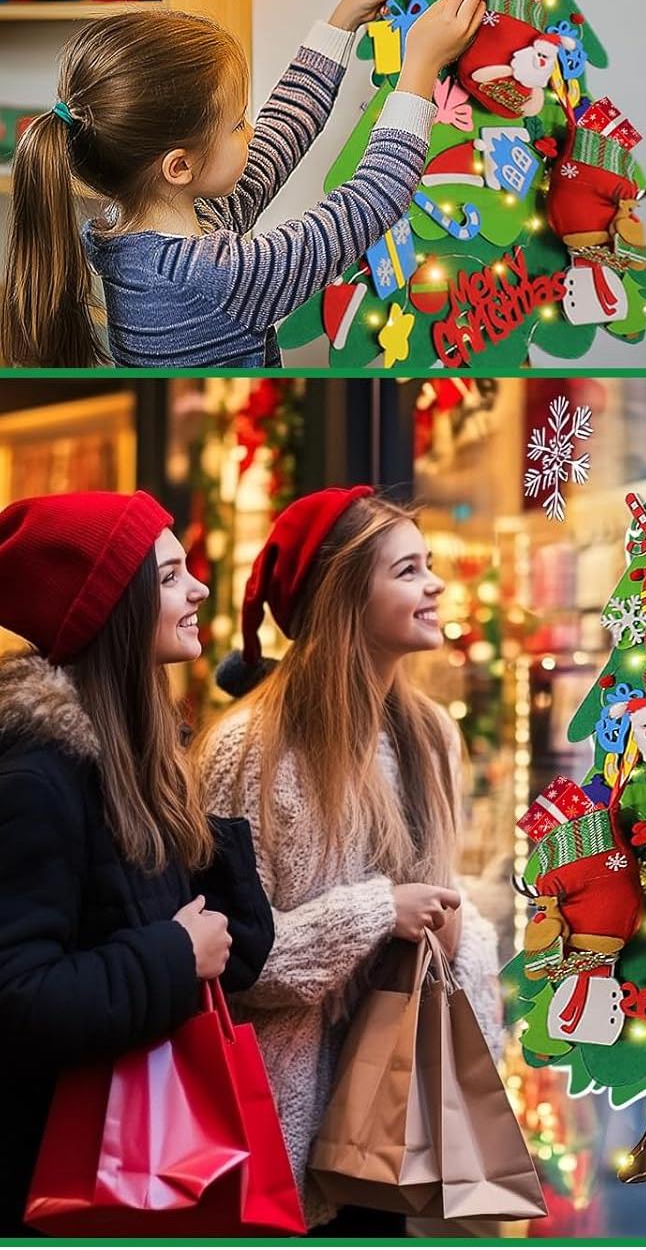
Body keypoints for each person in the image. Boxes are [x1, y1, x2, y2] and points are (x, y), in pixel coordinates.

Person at [196, 486, 504, 1234]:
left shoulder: (431, 736)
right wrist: (377, 912)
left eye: (429, 565)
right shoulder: (249, 753)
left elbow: (449, 893)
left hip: (393, 1119)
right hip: (280, 1129)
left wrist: (457, 935)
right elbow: (229, 958)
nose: (434, 584)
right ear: (344, 596)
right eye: (407, 571)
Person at [0, 491, 274, 1234]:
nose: (200, 590)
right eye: (171, 575)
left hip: (147, 1166)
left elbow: (237, 956)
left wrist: (199, 823)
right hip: (65, 1179)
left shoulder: (143, 759)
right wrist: (173, 954)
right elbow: (18, 997)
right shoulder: (38, 777)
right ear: (113, 609)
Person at [0, 0, 484, 368]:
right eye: (236, 125)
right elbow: (371, 198)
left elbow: (279, 136)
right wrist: (421, 65)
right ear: (179, 166)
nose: (249, 131)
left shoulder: (139, 233)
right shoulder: (221, 277)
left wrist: (340, 23)